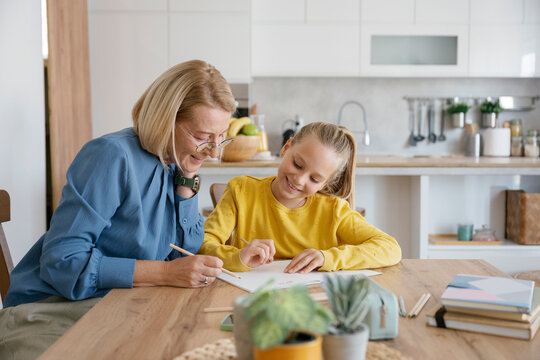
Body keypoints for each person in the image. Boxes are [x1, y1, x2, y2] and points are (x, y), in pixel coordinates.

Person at [0, 60, 235, 358]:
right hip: (51, 311)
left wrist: (186, 183)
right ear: (165, 119)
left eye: (220, 137)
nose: (214, 152)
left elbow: (183, 251)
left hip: (120, 306)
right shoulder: (111, 156)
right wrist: (163, 272)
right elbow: (63, 262)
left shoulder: (174, 164)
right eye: (202, 138)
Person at [200, 122, 402, 273]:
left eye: (315, 179)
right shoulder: (241, 190)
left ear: (326, 184)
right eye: (297, 164)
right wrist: (238, 257)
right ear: (286, 148)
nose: (299, 180)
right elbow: (204, 244)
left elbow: (390, 248)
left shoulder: (334, 210)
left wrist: (328, 257)